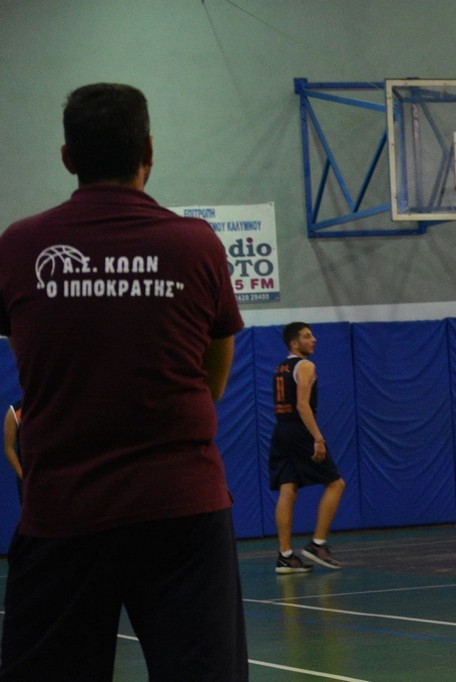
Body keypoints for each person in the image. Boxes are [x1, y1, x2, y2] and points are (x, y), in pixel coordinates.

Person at [0, 83, 247, 680]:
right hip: (182, 512)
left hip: (63, 511)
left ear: (67, 157)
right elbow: (212, 379)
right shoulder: (197, 245)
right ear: (149, 151)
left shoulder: (19, 245)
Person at [270, 322, 346, 573]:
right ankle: (317, 544)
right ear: (294, 343)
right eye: (307, 336)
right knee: (336, 484)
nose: (313, 339)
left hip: (281, 430)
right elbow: (302, 405)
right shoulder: (305, 366)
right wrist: (318, 438)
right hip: (299, 430)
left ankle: (285, 556)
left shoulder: (281, 368)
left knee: (287, 489)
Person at [3, 399, 23, 502]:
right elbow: (9, 449)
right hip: (30, 481)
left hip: (57, 477)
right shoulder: (15, 412)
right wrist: (23, 476)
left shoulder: (52, 407)